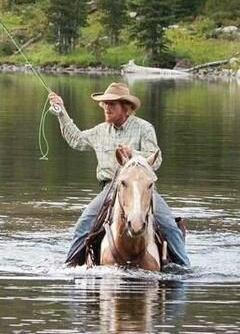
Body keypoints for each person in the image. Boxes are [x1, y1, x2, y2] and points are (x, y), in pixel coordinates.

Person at [48, 82, 190, 267]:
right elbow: (76, 140)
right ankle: (70, 267)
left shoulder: (144, 128)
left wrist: (133, 154)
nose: (106, 108)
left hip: (141, 188)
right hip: (110, 188)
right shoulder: (100, 131)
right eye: (105, 104)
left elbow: (156, 159)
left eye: (112, 104)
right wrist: (61, 112)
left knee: (170, 227)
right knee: (83, 226)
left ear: (126, 108)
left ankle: (184, 269)